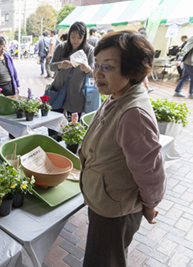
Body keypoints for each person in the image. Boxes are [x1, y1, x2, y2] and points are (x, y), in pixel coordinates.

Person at [80, 30, 166, 267]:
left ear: (132, 71)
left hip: (115, 212)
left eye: (107, 67)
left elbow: (151, 172)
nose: (97, 73)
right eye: (96, 65)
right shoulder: (118, 95)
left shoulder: (133, 114)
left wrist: (150, 206)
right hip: (106, 202)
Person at [48, 21, 94, 140]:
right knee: (53, 121)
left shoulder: (89, 50)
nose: (75, 40)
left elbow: (94, 74)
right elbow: (51, 66)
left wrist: (87, 69)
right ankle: (53, 141)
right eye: (72, 36)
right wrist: (60, 65)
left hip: (76, 95)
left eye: (79, 37)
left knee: (73, 126)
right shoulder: (62, 47)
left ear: (84, 37)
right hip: (58, 90)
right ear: (69, 35)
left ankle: (68, 146)